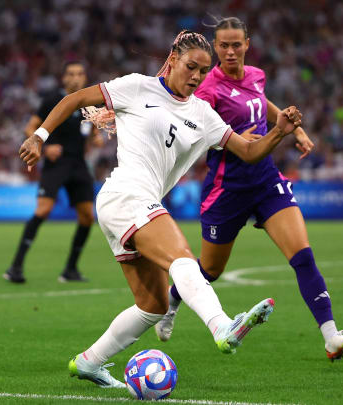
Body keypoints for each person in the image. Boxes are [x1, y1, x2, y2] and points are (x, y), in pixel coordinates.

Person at [19, 30, 302, 388]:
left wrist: (279, 132)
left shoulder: (204, 114)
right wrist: (39, 136)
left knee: (152, 305)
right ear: (172, 59)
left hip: (136, 204)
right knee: (182, 256)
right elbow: (75, 98)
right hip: (126, 194)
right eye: (191, 67)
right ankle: (221, 325)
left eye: (203, 70)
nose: (197, 77)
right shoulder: (138, 87)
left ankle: (89, 363)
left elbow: (248, 151)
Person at [156, 17, 343, 362]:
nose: (230, 51)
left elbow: (261, 102)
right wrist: (229, 142)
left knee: (303, 255)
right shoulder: (208, 87)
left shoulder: (256, 76)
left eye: (236, 44)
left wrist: (292, 129)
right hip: (227, 189)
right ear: (215, 48)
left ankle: (331, 336)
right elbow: (193, 128)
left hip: (266, 181)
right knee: (210, 270)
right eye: (223, 46)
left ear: (247, 44)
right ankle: (174, 297)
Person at [4, 61, 101, 283]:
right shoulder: (51, 100)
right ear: (64, 78)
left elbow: (93, 129)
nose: (75, 77)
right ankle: (15, 267)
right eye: (71, 74)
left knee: (87, 216)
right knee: (43, 210)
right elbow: (30, 127)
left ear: (85, 78)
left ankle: (70, 269)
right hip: (56, 164)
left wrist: (95, 137)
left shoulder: (90, 104)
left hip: (78, 164)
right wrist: (45, 147)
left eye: (80, 73)